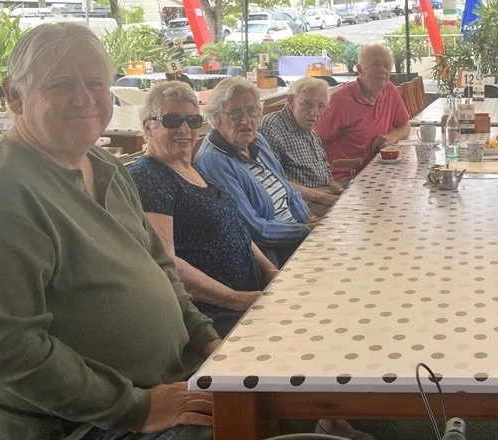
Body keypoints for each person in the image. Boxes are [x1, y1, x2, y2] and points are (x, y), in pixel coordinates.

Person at [0, 23, 218, 440]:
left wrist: (206, 341)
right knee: (243, 437)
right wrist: (140, 407)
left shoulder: (106, 165)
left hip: (167, 380)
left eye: (96, 83)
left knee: (268, 387)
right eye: (61, 83)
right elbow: (9, 353)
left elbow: (160, 268)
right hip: (77, 439)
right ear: (15, 96)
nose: (84, 98)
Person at [130, 81, 278, 337]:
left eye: (193, 121)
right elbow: (167, 261)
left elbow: (238, 228)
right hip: (217, 315)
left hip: (252, 296)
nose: (185, 129)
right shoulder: (148, 176)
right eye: (173, 120)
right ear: (147, 127)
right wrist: (236, 299)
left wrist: (272, 271)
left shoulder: (192, 169)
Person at [195, 77, 312, 268]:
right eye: (235, 113)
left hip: (297, 236)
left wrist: (308, 220)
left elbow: (288, 191)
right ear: (216, 118)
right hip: (273, 254)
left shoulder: (256, 140)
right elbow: (254, 229)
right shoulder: (214, 161)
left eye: (252, 111)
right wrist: (304, 230)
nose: (246, 120)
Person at [313, 43, 411, 179]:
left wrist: (391, 137)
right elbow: (315, 140)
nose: (383, 70)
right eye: (376, 65)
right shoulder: (340, 100)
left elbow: (405, 126)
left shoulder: (390, 91)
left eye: (387, 66)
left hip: (379, 170)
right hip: (346, 177)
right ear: (360, 69)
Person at [260, 77, 343, 217]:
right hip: (300, 202)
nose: (314, 112)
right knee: (352, 215)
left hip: (323, 195)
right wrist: (325, 198)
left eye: (321, 107)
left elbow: (327, 175)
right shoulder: (272, 126)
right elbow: (273, 181)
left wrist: (342, 193)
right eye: (308, 104)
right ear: (292, 101)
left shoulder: (308, 129)